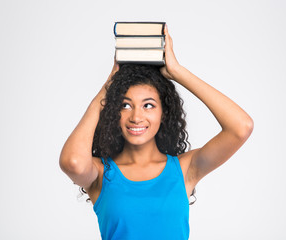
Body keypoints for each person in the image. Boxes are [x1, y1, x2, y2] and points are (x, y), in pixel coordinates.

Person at [59, 25, 254, 240]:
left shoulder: (184, 169)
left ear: (164, 113)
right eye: (125, 105)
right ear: (113, 110)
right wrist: (108, 88)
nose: (136, 116)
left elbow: (241, 127)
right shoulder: (101, 174)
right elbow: (72, 162)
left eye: (148, 105)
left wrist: (178, 72)